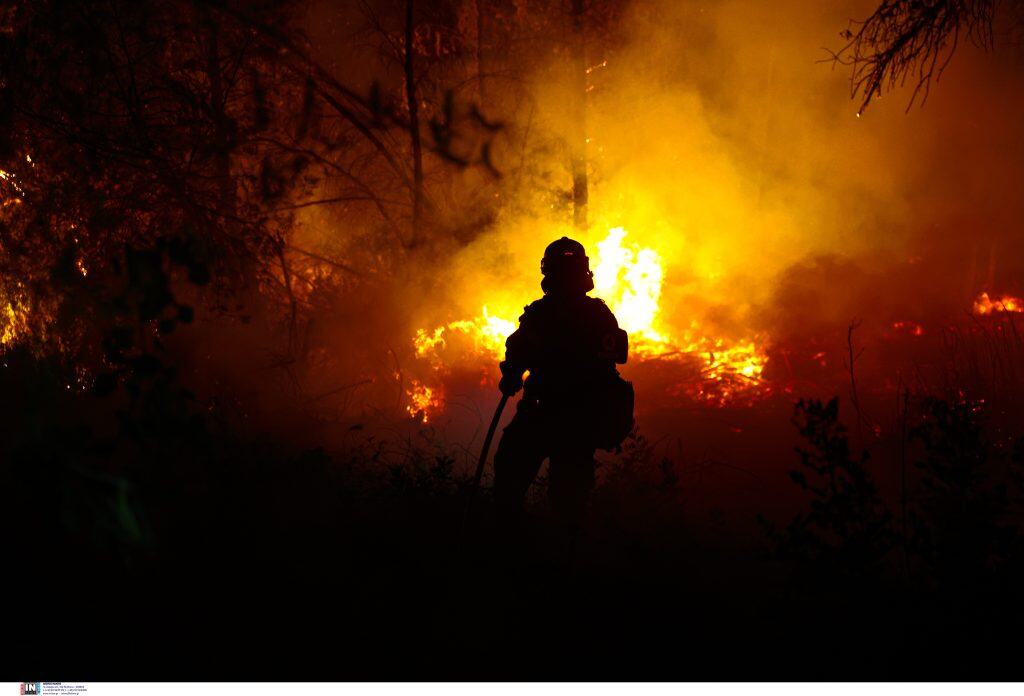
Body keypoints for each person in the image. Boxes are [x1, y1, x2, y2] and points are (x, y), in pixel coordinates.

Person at [493, 236, 632, 527]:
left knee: (509, 485)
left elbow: (518, 353)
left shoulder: (541, 314)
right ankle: (563, 549)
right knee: (570, 504)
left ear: (548, 271)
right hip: (580, 419)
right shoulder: (600, 314)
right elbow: (617, 358)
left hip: (542, 413)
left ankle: (513, 541)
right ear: (584, 271)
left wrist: (512, 375)